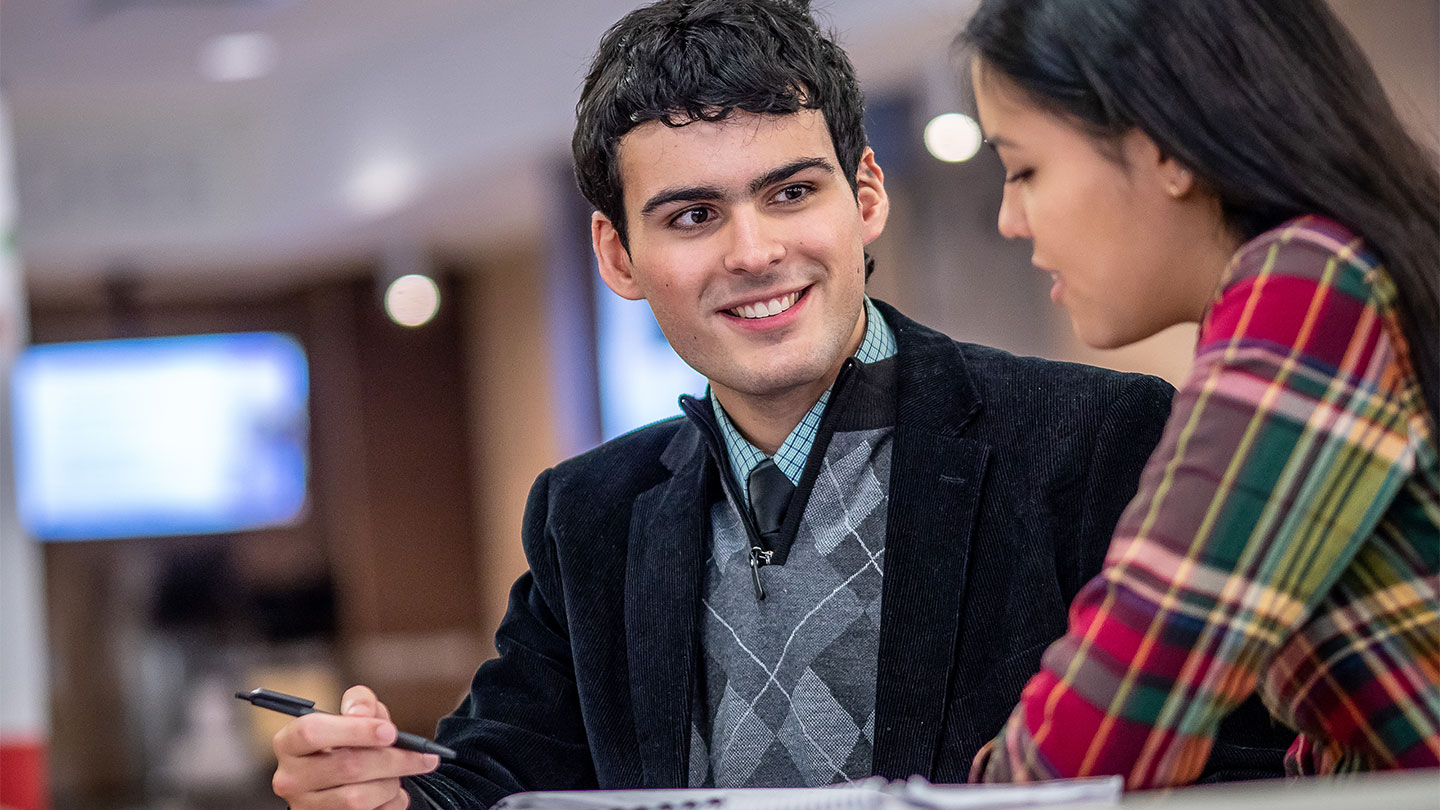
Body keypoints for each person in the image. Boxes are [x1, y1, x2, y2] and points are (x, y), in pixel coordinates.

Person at [268, 2, 1290, 807]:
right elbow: (494, 780)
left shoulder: (1093, 441)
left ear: (867, 196)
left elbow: (1236, 773)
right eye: (693, 214)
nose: (754, 251)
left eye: (792, 192)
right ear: (619, 254)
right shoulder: (590, 515)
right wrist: (378, 794)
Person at [961, 0, 1440, 789]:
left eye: (1023, 169)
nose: (1010, 218)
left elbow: (1105, 731)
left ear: (1167, 148)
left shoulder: (1312, 284)